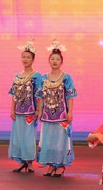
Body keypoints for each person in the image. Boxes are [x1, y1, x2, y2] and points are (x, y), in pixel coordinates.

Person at [36, 40, 76, 177]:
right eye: (52, 59)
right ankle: (51, 164)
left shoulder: (66, 78)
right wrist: (39, 110)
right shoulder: (44, 78)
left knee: (60, 140)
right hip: (47, 114)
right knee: (48, 140)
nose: (55, 61)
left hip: (62, 115)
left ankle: (60, 165)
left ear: (61, 61)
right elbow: (40, 96)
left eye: (57, 59)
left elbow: (70, 96)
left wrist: (70, 112)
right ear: (49, 61)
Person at [8, 39, 42, 173]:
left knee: (29, 137)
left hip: (30, 112)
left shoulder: (37, 76)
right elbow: (14, 95)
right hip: (18, 112)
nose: (25, 59)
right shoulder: (17, 76)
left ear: (33, 59)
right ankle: (21, 161)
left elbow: (39, 94)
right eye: (24, 57)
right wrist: (12, 110)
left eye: (28, 57)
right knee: (18, 136)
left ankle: (30, 162)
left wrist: (38, 109)